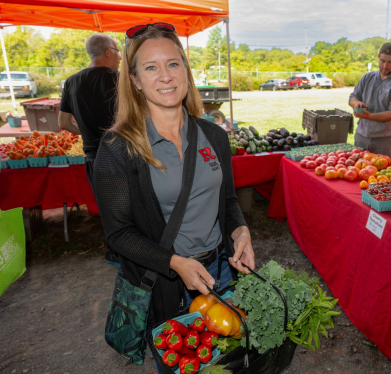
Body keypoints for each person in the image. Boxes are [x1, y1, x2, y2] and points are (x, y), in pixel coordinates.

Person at [92, 23, 255, 372]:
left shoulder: (213, 134)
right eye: (151, 67)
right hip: (166, 283)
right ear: (134, 80)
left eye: (173, 64)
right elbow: (118, 234)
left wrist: (240, 230)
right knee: (184, 364)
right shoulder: (118, 149)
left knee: (230, 362)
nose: (165, 76)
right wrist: (176, 263)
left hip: (221, 272)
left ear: (185, 69)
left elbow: (226, 201)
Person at [58, 33, 122, 268]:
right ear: (108, 52)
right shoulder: (119, 79)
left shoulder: (71, 81)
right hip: (122, 152)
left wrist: (86, 132)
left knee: (109, 209)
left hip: (94, 156)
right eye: (117, 51)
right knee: (133, 206)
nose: (119, 57)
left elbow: (64, 123)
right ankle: (138, 253)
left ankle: (116, 253)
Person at [348, 42, 391, 161]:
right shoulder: (368, 77)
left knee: (380, 177)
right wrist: (356, 104)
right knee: (357, 173)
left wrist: (369, 116)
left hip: (384, 141)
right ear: (378, 57)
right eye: (382, 61)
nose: (385, 66)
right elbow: (353, 96)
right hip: (361, 137)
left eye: (390, 62)